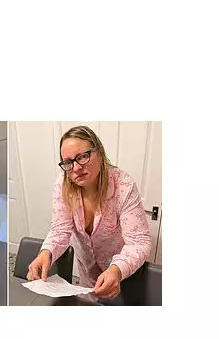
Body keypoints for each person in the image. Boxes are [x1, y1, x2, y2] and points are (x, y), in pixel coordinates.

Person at [27, 126, 152, 305]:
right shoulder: (63, 184)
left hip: (122, 273)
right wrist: (46, 252)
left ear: (99, 153)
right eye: (68, 162)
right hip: (87, 272)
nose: (76, 168)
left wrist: (117, 270)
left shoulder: (123, 185)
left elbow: (139, 242)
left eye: (83, 157)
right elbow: (60, 229)